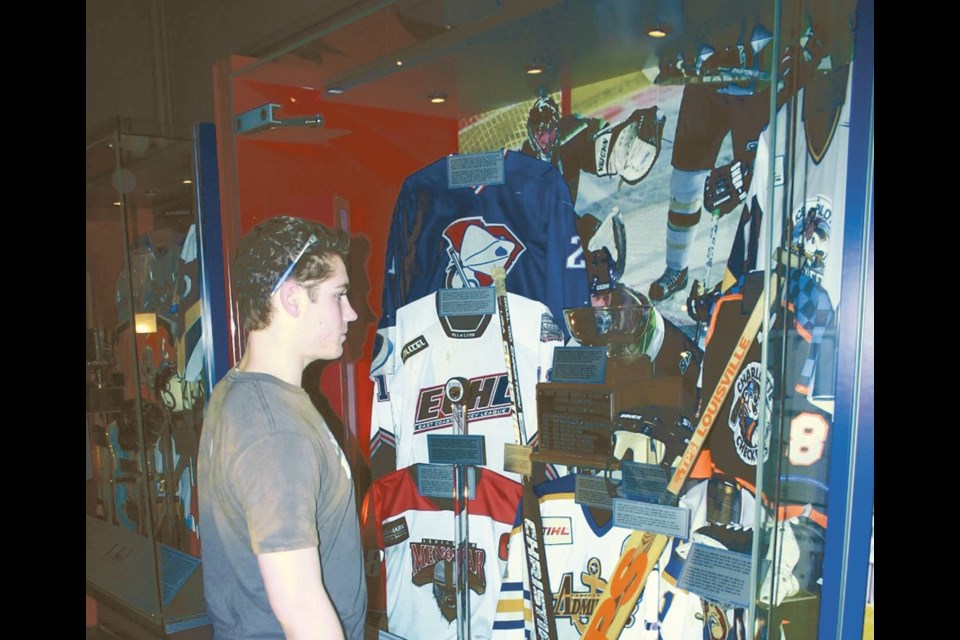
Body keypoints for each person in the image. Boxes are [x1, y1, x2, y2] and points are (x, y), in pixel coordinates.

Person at [198, 216, 366, 639]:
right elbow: (302, 611)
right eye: (338, 296)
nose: (353, 311)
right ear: (292, 299)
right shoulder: (275, 432)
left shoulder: (240, 393)